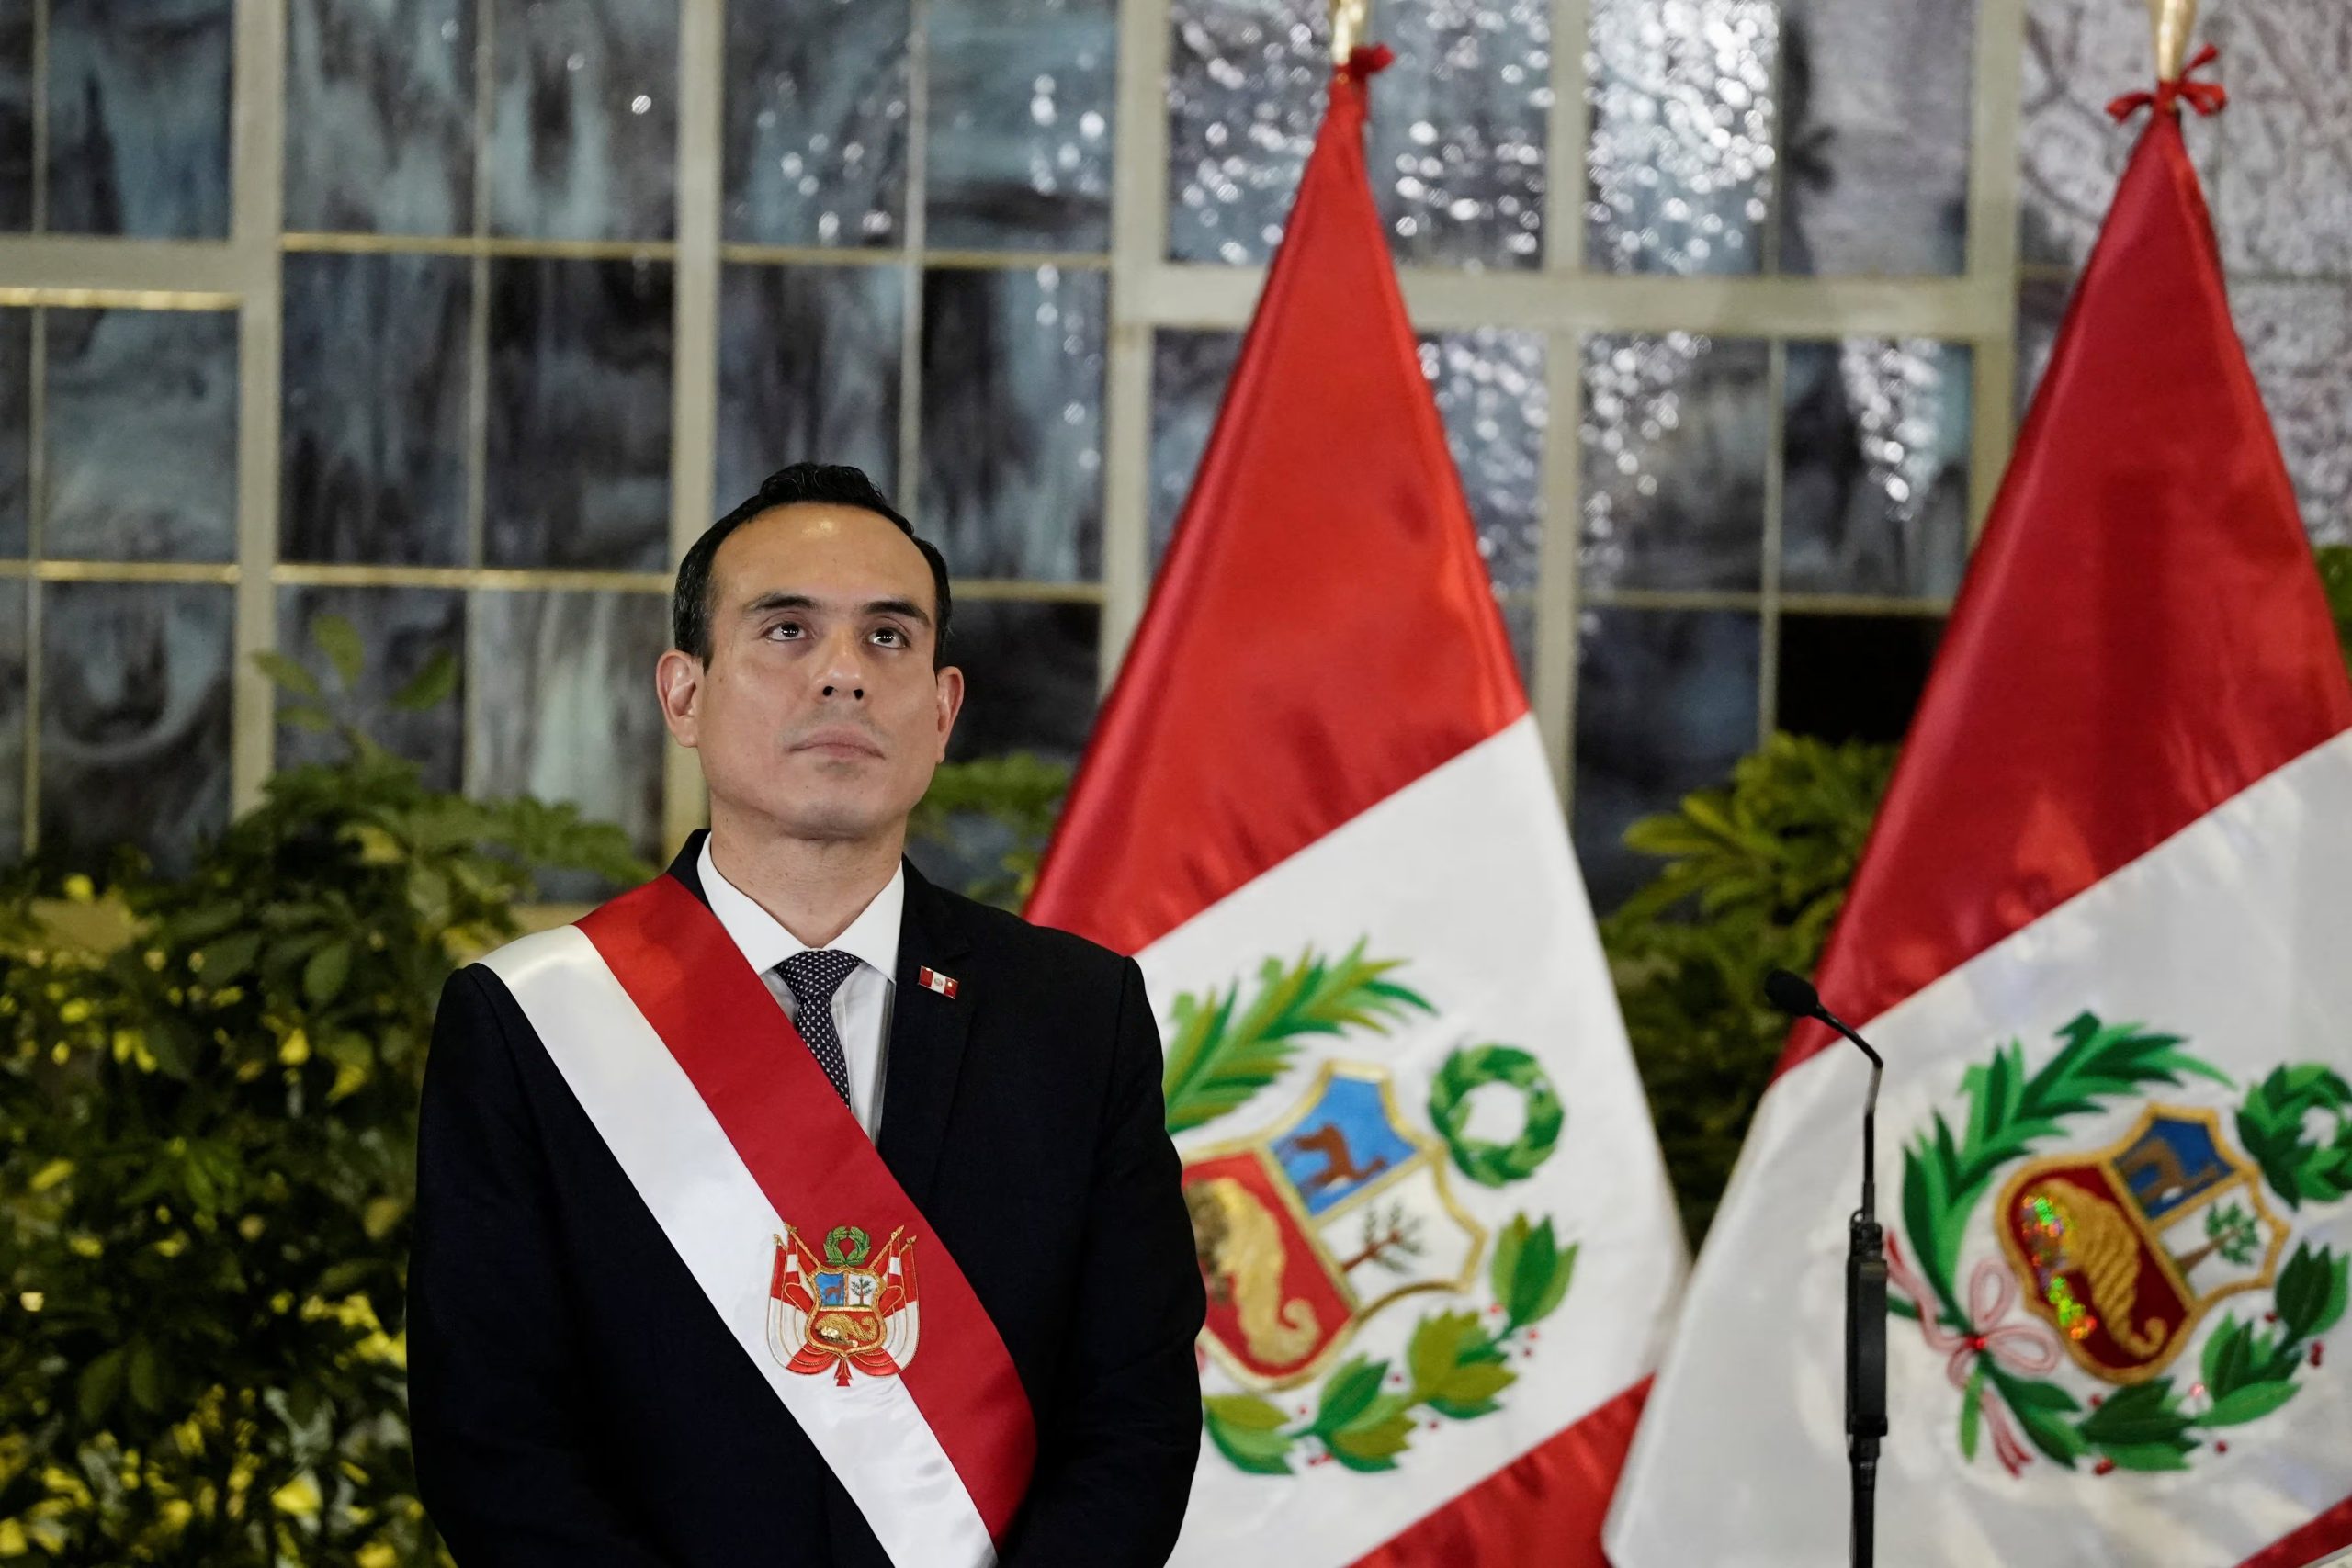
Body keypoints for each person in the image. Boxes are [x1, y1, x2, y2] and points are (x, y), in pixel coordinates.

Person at [408, 463, 1206, 1567]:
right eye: (786, 631)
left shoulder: (1076, 1016)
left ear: (943, 708)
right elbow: (491, 1440)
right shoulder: (530, 1022)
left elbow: (1135, 1419)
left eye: (888, 637)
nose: (843, 674)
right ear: (683, 695)